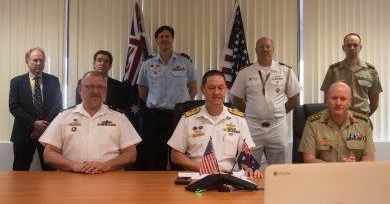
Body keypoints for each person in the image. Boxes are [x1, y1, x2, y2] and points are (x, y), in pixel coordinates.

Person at [39, 71, 141, 173]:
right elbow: (49, 154)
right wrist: (74, 166)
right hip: (71, 178)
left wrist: (106, 166)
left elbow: (131, 154)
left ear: (105, 91)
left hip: (110, 178)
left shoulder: (119, 117)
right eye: (90, 87)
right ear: (80, 89)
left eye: (100, 87)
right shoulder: (64, 116)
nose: (95, 91)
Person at [168, 70, 262, 178]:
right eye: (211, 88)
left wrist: (250, 167)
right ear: (203, 90)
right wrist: (200, 167)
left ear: (226, 89)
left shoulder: (238, 119)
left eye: (221, 88)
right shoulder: (188, 119)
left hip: (229, 177)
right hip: (197, 175)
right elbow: (175, 155)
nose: (217, 92)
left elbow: (245, 152)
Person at [230, 37, 302, 165]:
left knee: (279, 169)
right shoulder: (245, 72)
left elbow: (294, 98)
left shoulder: (285, 71)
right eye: (261, 47)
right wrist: (250, 112)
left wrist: (278, 111)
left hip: (277, 126)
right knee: (248, 166)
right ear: (256, 50)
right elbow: (235, 98)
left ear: (273, 49)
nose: (265, 49)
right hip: (252, 126)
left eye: (268, 47)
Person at [135, 25, 198, 170]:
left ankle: (178, 186)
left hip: (179, 115)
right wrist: (155, 103)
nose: (164, 39)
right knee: (156, 154)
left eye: (167, 36)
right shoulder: (148, 63)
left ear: (172, 39)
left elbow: (193, 87)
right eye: (161, 37)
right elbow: (142, 90)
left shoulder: (185, 61)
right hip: (155, 116)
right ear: (156, 40)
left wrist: (182, 105)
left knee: (179, 154)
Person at [9, 47, 62, 171]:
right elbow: (14, 106)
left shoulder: (53, 80)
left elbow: (58, 104)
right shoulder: (16, 82)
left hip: (48, 133)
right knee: (20, 171)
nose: (39, 63)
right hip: (23, 133)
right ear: (27, 61)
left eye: (42, 60)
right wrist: (34, 123)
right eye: (35, 60)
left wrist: (43, 126)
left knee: (50, 171)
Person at [299, 81, 375, 163]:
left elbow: (368, 158)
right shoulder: (313, 123)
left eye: (343, 99)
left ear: (350, 101)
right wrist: (336, 168)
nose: (338, 103)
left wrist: (355, 165)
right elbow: (309, 159)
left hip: (353, 173)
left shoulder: (363, 123)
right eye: (334, 98)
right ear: (327, 99)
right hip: (324, 174)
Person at [321, 33, 383, 116]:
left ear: (360, 47)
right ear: (343, 48)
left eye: (355, 45)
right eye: (349, 45)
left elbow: (374, 103)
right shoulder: (333, 70)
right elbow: (327, 100)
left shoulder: (371, 71)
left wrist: (364, 117)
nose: (352, 48)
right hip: (338, 119)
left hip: (362, 118)